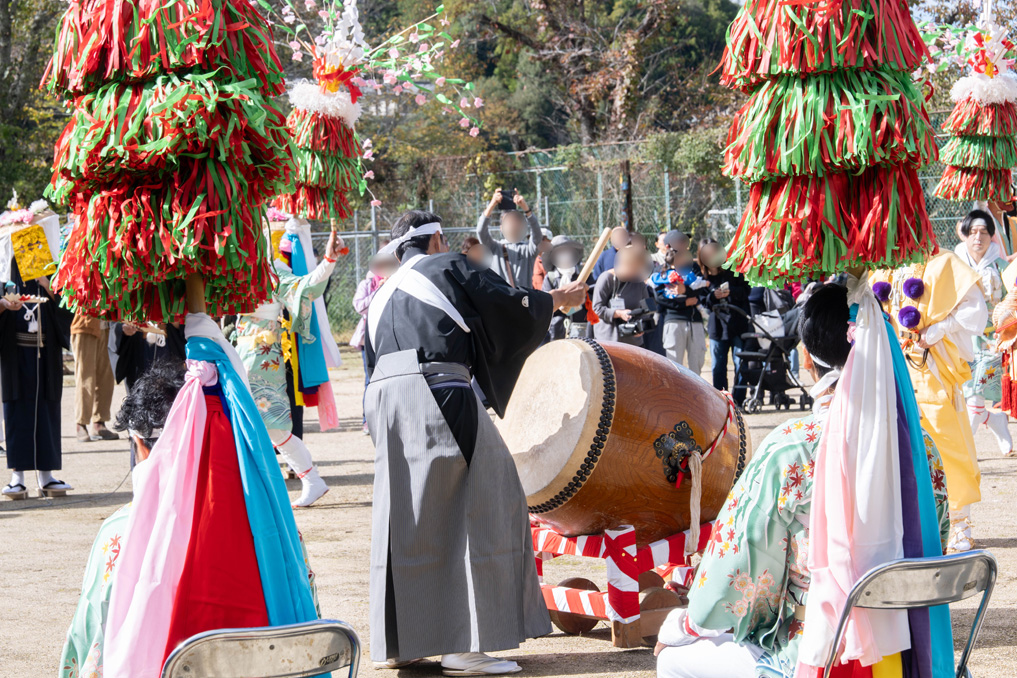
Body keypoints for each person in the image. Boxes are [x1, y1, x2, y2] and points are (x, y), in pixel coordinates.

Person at [655, 283, 950, 678]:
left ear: (806, 358)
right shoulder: (920, 447)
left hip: (812, 650)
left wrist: (683, 624)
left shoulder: (791, 447)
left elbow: (741, 562)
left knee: (673, 658)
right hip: (906, 649)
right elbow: (936, 538)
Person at [365, 210, 585, 674]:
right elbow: (506, 305)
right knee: (483, 501)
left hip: (385, 401)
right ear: (437, 237)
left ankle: (405, 640)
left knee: (408, 514)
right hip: (438, 390)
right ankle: (464, 644)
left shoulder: (381, 293)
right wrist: (554, 301)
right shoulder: (446, 264)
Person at [57, 357, 324, 678]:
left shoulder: (119, 534)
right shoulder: (276, 527)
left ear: (140, 446)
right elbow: (308, 626)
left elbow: (89, 640)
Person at [874, 252, 987, 552]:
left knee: (946, 442)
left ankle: (960, 522)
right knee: (898, 446)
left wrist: (941, 327)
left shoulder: (942, 263)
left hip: (931, 369)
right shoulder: (881, 266)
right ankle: (911, 524)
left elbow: (976, 311)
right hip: (891, 366)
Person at [234, 225, 342, 508]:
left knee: (272, 425)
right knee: (254, 424)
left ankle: (309, 479)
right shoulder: (235, 267)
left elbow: (306, 286)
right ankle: (305, 480)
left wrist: (328, 261)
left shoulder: (271, 270)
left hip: (262, 355)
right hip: (243, 352)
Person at [1, 264, 72, 498]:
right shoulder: (4, 268)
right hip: (15, 352)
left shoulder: (52, 268)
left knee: (47, 409)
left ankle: (46, 475)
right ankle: (17, 477)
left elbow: (69, 305)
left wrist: (48, 285)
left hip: (46, 352)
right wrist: (3, 305)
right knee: (16, 410)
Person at [954, 209, 1013, 457]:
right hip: (958, 337)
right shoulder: (954, 265)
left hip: (990, 340)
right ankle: (997, 421)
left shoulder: (1002, 267)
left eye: (984, 232)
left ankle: (964, 452)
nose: (978, 237)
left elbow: (1012, 300)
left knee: (976, 397)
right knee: (968, 394)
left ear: (992, 236)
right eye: (973, 232)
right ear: (965, 235)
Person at [698, 239, 751, 402]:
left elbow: (746, 291)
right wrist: (713, 296)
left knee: (740, 364)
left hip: (738, 325)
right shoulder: (701, 278)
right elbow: (702, 301)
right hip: (717, 328)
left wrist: (731, 292)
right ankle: (721, 401)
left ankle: (739, 401)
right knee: (717, 367)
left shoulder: (733, 271)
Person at [351, 252, 398, 434]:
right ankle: (368, 420)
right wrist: (379, 290)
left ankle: (390, 421)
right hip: (369, 339)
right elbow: (359, 306)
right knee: (370, 380)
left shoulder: (398, 280)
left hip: (391, 337)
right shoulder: (367, 284)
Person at [654, 234, 708, 373]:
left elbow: (702, 288)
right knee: (674, 366)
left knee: (697, 363)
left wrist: (686, 290)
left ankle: (696, 394)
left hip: (695, 321)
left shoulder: (693, 267)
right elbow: (659, 297)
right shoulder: (661, 270)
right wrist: (684, 302)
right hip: (673, 321)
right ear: (668, 246)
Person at [476, 189, 543, 288]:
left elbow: (537, 236)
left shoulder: (528, 250)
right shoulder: (494, 247)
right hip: (500, 301)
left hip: (523, 301)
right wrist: (492, 204)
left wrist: (526, 209)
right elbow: (481, 231)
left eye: (515, 221)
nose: (512, 225)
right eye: (508, 222)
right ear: (501, 228)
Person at [592, 245, 652, 346]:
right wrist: (619, 313)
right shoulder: (606, 278)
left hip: (633, 342)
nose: (636, 271)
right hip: (609, 341)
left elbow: (648, 308)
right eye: (633, 267)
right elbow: (597, 309)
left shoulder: (639, 282)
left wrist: (642, 325)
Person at [71, 314, 118, 442]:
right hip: (85, 325)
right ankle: (81, 424)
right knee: (86, 377)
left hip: (107, 326)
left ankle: (99, 422)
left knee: (106, 378)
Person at [108, 322, 186, 393]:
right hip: (139, 351)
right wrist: (123, 328)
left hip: (171, 350)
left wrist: (178, 323)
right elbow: (115, 320)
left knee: (172, 397)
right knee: (139, 399)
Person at [543, 235, 593, 340]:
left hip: (581, 326)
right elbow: (547, 305)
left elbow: (592, 298)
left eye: (567, 250)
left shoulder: (584, 274)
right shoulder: (550, 277)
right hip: (558, 329)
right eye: (559, 252)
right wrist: (564, 302)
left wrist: (580, 300)